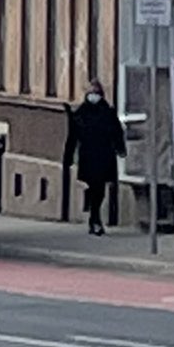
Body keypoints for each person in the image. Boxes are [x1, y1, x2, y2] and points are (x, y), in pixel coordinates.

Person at [63, 79, 127, 236]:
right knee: (94, 186)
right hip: (89, 155)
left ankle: (94, 216)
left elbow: (117, 132)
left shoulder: (108, 112)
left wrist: (120, 149)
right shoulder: (80, 114)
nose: (94, 96)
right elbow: (72, 137)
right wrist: (68, 157)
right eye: (91, 93)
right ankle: (95, 218)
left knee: (100, 189)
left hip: (105, 155)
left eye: (96, 93)